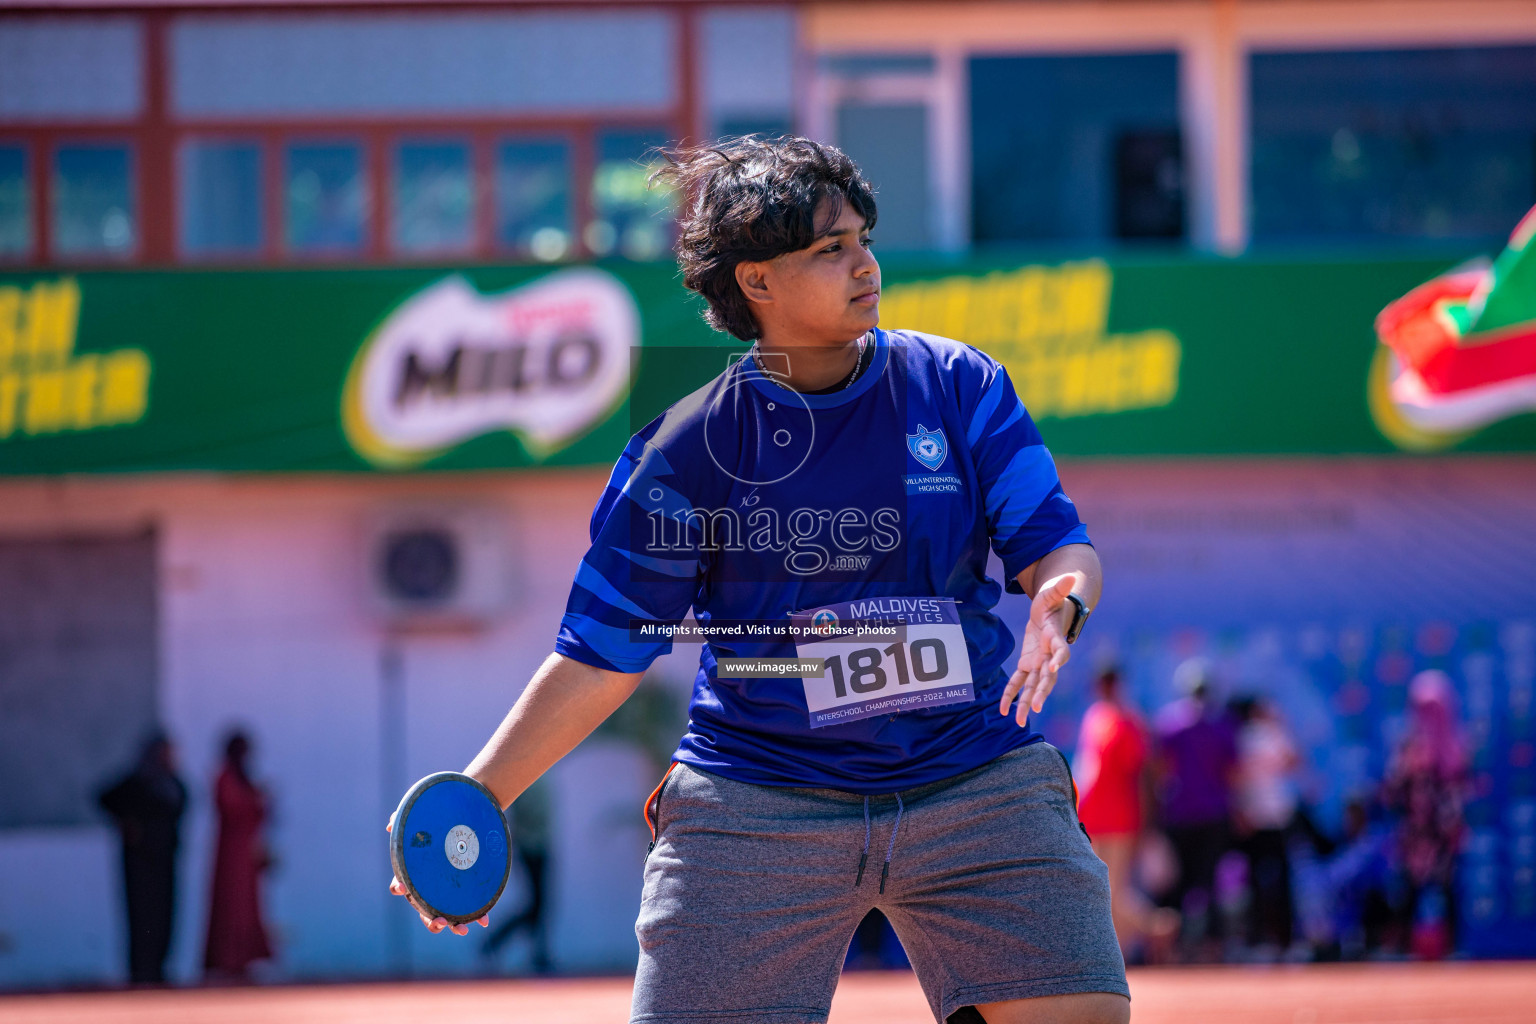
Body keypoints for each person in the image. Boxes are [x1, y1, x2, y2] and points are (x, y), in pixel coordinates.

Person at [390, 136, 1125, 1024]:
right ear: (757, 282)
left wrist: (1061, 598)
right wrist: (481, 796)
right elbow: (600, 653)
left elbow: (1058, 544)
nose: (866, 264)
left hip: (970, 780)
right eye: (830, 249)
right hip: (757, 800)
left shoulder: (958, 385)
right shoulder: (687, 448)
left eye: (862, 238)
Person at [1073, 668, 1177, 957]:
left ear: (1117, 684)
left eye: (1108, 683)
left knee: (1111, 891)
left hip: (1120, 819)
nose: (1103, 689)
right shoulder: (1095, 715)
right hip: (1091, 818)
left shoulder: (1128, 721)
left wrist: (1148, 821)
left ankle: (1155, 927)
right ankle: (1127, 946)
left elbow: (1144, 775)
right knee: (1099, 889)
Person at [1152, 658, 1237, 956]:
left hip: (1180, 814)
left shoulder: (1169, 723)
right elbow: (1232, 773)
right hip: (1214, 814)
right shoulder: (1222, 724)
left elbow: (1161, 771)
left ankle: (1173, 947)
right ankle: (1212, 947)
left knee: (1177, 885)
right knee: (1210, 883)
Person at [1384, 670, 1468, 959]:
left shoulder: (1455, 746)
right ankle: (1405, 947)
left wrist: (1451, 826)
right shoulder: (1408, 745)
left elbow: (1458, 790)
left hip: (1443, 832)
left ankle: (1452, 948)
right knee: (1409, 891)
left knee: (1447, 890)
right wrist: (1406, 769)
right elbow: (1393, 789)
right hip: (1415, 832)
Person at [98, 731, 187, 986]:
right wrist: (127, 824)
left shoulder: (172, 784)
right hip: (140, 863)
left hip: (165, 860)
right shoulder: (137, 783)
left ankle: (159, 969)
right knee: (141, 917)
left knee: (165, 917)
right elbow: (105, 798)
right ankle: (141, 971)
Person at [1231, 695, 1300, 954]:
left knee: (1254, 880)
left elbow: (1235, 778)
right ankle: (1285, 940)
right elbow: (1295, 762)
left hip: (1253, 817)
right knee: (1282, 879)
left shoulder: (1239, 736)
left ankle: (1258, 939)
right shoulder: (1273, 732)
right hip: (1278, 815)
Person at [203, 730, 272, 980]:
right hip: (230, 854)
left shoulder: (244, 777)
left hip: (247, 853)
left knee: (248, 907)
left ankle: (245, 959)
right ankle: (226, 960)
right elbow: (233, 807)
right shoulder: (224, 777)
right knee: (230, 905)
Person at [481, 777, 552, 972]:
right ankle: (495, 942)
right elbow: (524, 814)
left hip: (540, 845)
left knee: (541, 904)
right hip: (530, 845)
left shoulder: (541, 778)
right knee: (535, 904)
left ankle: (539, 953)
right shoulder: (526, 779)